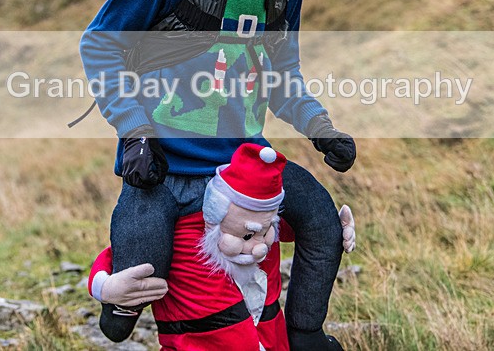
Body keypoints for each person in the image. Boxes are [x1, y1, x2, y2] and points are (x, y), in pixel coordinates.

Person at [80, 0, 356, 351]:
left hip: (242, 169)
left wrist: (321, 128)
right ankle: (115, 307)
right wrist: (135, 132)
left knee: (321, 222)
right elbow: (100, 44)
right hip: (159, 168)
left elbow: (281, 75)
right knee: (138, 278)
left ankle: (305, 333)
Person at [87, 144, 357, 351]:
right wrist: (104, 287)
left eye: (264, 231)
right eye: (248, 234)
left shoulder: (263, 227)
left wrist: (334, 229)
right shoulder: (182, 233)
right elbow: (116, 256)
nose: (258, 249)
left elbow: (297, 230)